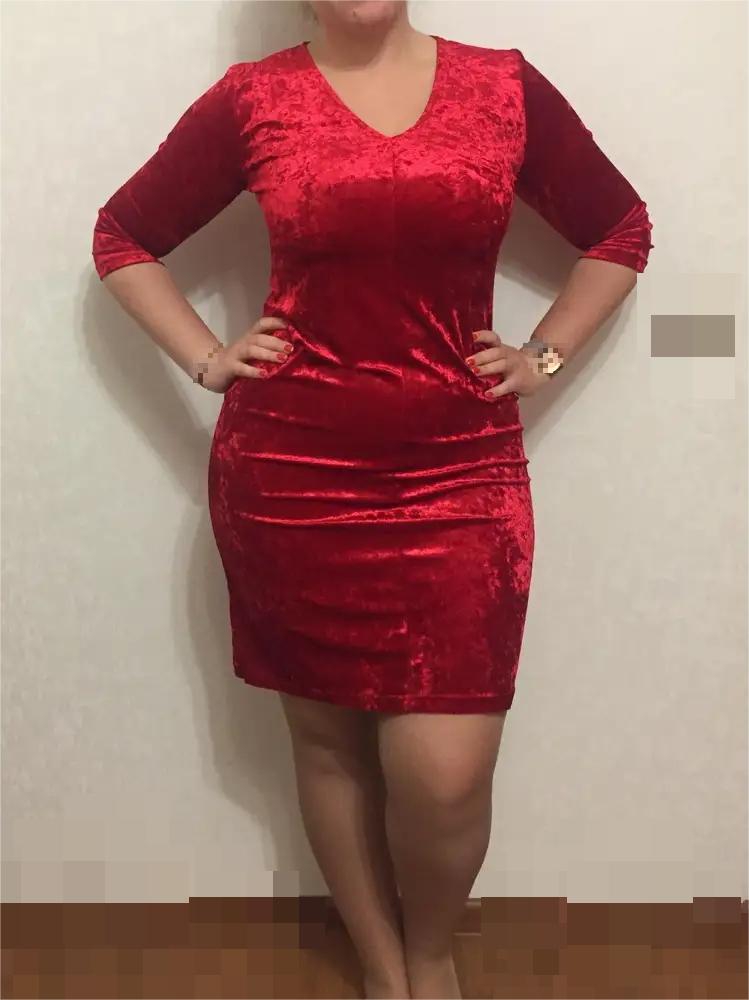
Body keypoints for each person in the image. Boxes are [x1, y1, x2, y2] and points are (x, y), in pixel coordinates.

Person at [91, 2, 654, 997]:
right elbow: (122, 236)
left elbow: (620, 228)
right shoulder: (254, 100)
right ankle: (385, 967)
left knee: (445, 773)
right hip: (290, 477)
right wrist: (208, 357)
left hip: (461, 475)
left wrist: (543, 355)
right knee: (329, 746)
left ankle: (430, 952)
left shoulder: (502, 88)